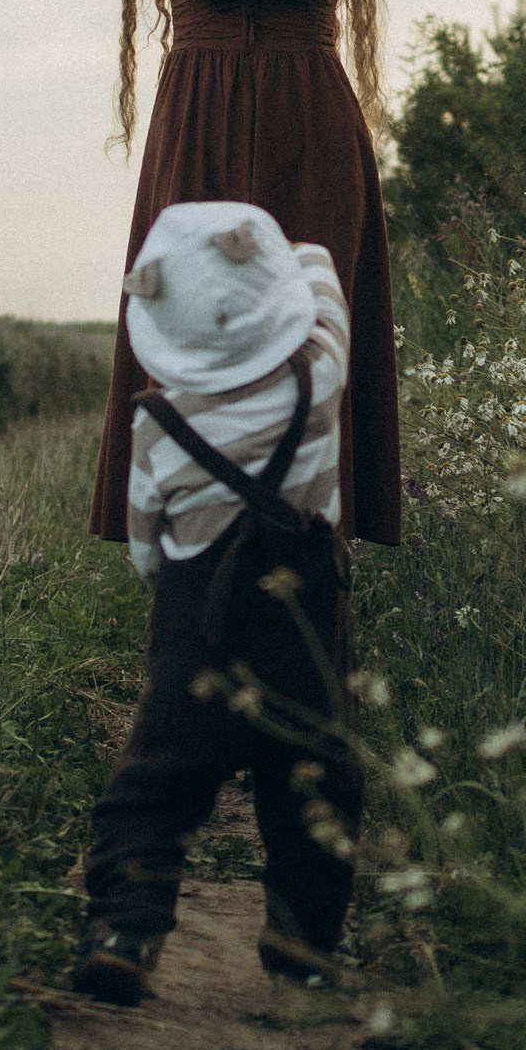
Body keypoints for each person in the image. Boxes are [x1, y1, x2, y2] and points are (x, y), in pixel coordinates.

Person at [92, 0, 401, 551]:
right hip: (199, 113)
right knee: (195, 329)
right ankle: (192, 561)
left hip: (308, 113)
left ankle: (304, 573)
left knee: (308, 340)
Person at [74, 200, 364, 1005]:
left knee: (152, 787)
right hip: (302, 637)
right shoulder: (322, 377)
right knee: (315, 785)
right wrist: (289, 245)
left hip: (195, 640)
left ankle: (124, 930)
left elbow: (146, 549)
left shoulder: (158, 424)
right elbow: (325, 284)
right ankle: (303, 946)